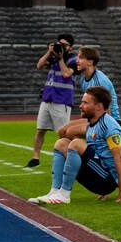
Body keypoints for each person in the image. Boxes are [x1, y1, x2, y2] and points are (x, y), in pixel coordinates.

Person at [31, 86, 121, 206]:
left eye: (85, 103)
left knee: (76, 144)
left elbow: (120, 159)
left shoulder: (110, 126)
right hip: (98, 176)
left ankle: (64, 195)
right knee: (61, 144)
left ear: (98, 106)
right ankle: (55, 191)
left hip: (107, 182)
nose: (81, 106)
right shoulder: (92, 124)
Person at [28, 35, 78, 168]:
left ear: (70, 47)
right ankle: (35, 157)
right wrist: (49, 52)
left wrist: (61, 59)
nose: (61, 46)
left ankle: (70, 161)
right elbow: (39, 65)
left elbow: (67, 74)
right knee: (40, 130)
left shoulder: (73, 58)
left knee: (63, 134)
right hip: (48, 98)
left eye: (64, 45)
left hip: (62, 101)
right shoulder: (53, 56)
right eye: (59, 44)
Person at [73, 46, 121, 124]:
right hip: (95, 118)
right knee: (64, 130)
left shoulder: (99, 81)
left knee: (68, 131)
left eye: (81, 58)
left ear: (90, 62)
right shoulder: (83, 78)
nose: (77, 61)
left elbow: (106, 108)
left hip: (110, 121)